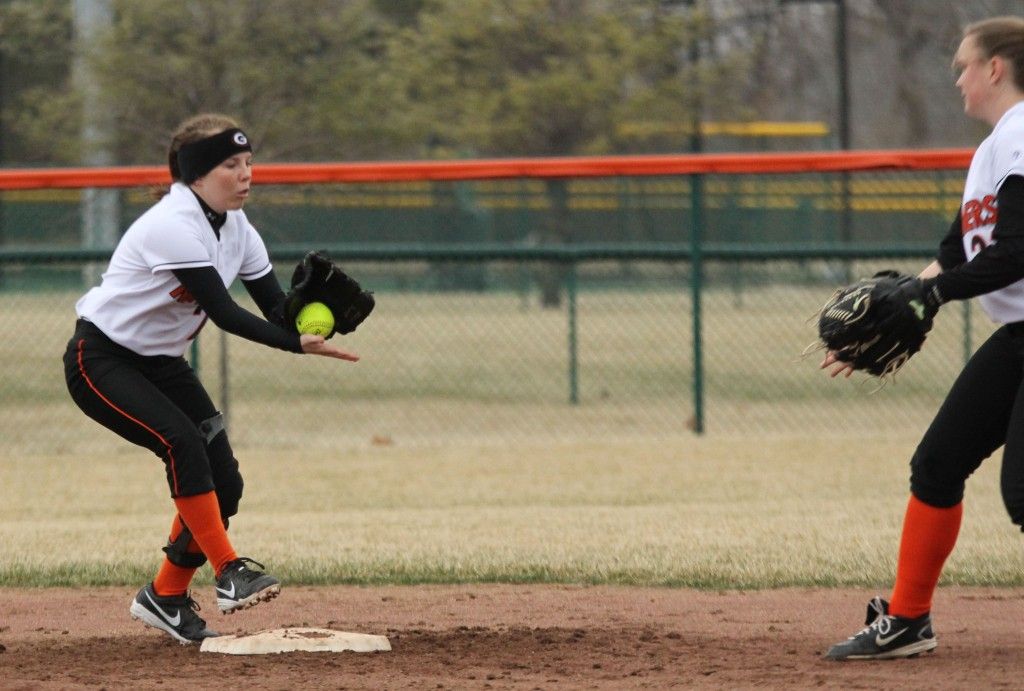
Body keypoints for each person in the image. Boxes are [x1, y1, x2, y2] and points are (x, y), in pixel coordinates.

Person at [63, 113, 360, 645]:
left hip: (160, 363)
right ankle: (229, 571)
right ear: (197, 175)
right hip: (102, 359)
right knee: (182, 444)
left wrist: (313, 314)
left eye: (248, 163)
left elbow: (273, 308)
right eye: (231, 165)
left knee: (226, 481)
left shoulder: (238, 228)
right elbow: (223, 312)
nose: (246, 174)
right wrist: (296, 344)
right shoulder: (172, 223)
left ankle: (165, 596)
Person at [820, 16, 1024, 660]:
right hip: (1019, 333)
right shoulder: (996, 146)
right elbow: (959, 248)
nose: (958, 77)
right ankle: (908, 621)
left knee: (1022, 491)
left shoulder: (1023, 137)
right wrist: (902, 303)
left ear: (996, 67)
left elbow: (1020, 249)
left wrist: (933, 295)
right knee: (937, 464)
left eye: (965, 64)